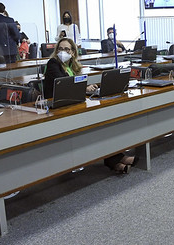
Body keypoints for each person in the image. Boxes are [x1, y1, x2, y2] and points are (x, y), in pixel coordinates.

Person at [43, 38, 134, 173]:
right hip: (57, 108)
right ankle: (115, 159)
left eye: (67, 49)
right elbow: (65, 83)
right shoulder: (53, 63)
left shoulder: (71, 66)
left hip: (71, 104)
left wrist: (86, 87)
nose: (63, 52)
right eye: (60, 49)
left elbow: (73, 85)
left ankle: (114, 159)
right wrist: (84, 88)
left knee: (102, 122)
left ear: (73, 52)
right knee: (96, 124)